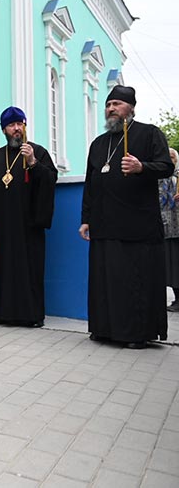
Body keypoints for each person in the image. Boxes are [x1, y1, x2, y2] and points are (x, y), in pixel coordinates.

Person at [79, 85, 173, 348]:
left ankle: (136, 334)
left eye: (117, 104)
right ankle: (104, 329)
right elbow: (90, 184)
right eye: (108, 104)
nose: (111, 109)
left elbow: (166, 166)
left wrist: (141, 166)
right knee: (106, 280)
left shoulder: (148, 134)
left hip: (137, 226)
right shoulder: (99, 144)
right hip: (104, 224)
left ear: (130, 108)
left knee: (133, 282)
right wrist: (85, 219)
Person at [0, 106, 58, 327]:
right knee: (2, 268)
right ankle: (1, 313)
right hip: (2, 225)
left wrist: (33, 162)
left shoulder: (37, 152)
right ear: (4, 129)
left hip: (27, 225)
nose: (17, 129)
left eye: (20, 124)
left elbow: (50, 180)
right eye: (12, 125)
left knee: (27, 268)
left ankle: (31, 315)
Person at [159, 148, 179, 312]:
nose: (171, 159)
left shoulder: (178, 177)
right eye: (169, 157)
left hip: (178, 227)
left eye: (173, 157)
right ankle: (176, 299)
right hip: (165, 227)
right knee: (170, 265)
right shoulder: (159, 177)